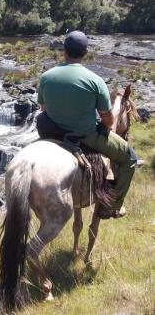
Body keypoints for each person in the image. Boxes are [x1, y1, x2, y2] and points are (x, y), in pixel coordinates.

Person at [37, 30, 136, 219]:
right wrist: (102, 124)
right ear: (85, 53)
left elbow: (44, 110)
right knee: (129, 158)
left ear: (64, 50)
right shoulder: (96, 81)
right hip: (86, 135)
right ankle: (112, 206)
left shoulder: (46, 77)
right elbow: (108, 119)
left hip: (53, 134)